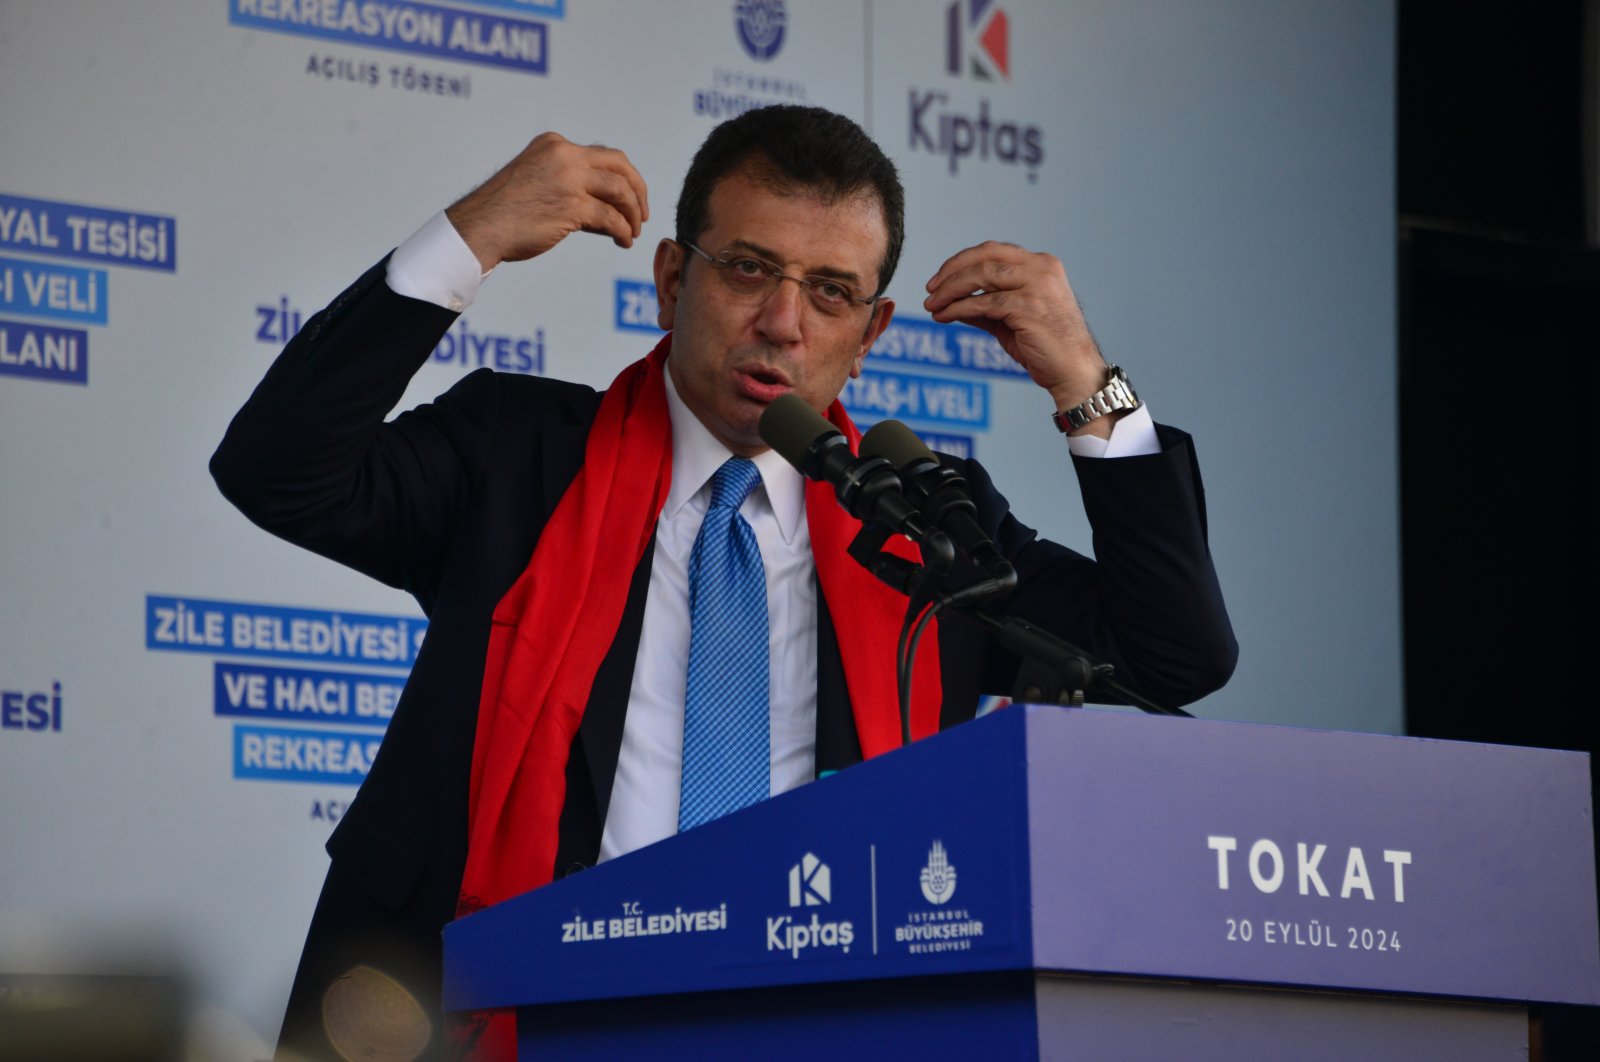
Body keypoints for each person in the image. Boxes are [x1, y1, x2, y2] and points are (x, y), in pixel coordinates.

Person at [211, 105, 1235, 1061]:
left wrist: (1085, 382)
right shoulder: (516, 454)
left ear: (868, 335)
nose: (783, 320)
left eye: (830, 291)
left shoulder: (924, 522)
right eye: (747, 269)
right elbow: (277, 472)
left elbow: (1167, 654)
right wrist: (467, 237)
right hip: (486, 1018)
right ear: (670, 280)